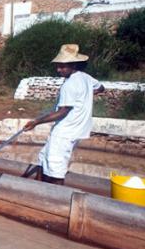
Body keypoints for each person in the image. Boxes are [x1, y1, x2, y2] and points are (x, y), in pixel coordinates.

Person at [23, 44, 105, 185]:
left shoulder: (70, 85)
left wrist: (36, 122)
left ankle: (55, 199)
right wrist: (84, 96)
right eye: (58, 66)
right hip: (76, 129)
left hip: (65, 131)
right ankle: (36, 188)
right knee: (44, 157)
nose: (58, 70)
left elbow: (62, 112)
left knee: (56, 168)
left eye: (62, 67)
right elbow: (101, 88)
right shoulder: (85, 77)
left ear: (73, 65)